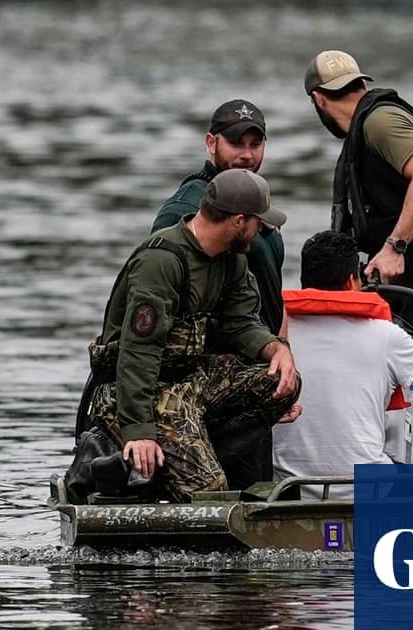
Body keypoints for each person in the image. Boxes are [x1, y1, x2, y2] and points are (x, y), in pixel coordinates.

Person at [86, 169, 302, 502]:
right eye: (259, 222)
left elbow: (243, 323)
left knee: (282, 381)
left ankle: (189, 454)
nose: (262, 230)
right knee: (209, 493)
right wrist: (139, 431)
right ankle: (119, 466)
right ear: (238, 221)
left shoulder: (231, 260)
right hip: (131, 392)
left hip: (189, 384)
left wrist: (277, 349)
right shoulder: (161, 261)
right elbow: (138, 352)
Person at [151, 99, 290, 490]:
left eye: (255, 144)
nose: (246, 155)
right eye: (236, 143)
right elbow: (162, 304)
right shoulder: (187, 209)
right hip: (209, 385)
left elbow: (268, 296)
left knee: (255, 492)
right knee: (222, 493)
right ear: (211, 143)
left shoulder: (256, 205)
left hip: (251, 372)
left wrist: (279, 357)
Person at [304, 50, 413, 344]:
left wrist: (395, 246)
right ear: (360, 85)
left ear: (318, 99)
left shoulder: (379, 122)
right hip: (408, 279)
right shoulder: (365, 127)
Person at [273, 231, 413, 498]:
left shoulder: (275, 335)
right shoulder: (383, 334)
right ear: (351, 280)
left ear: (303, 281)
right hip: (368, 489)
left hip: (289, 490)